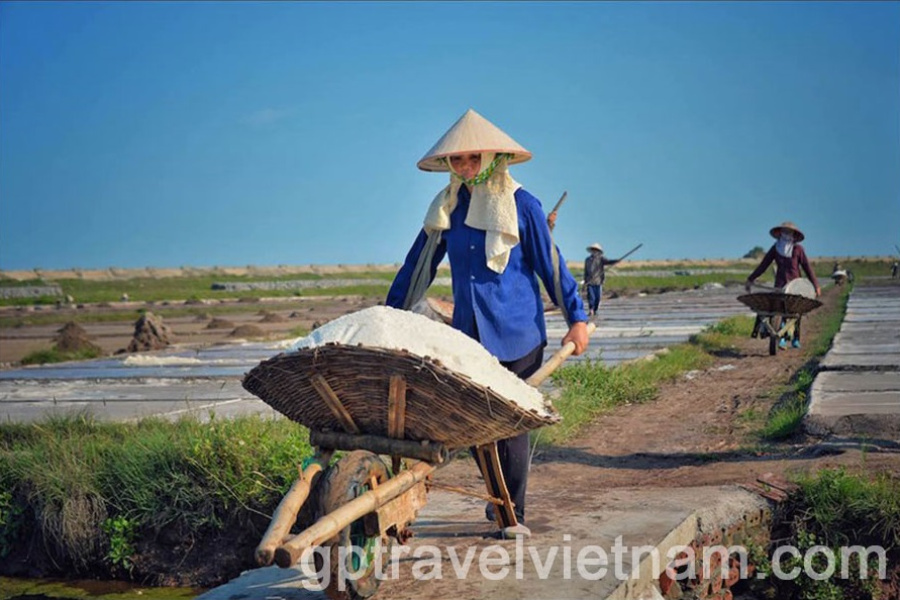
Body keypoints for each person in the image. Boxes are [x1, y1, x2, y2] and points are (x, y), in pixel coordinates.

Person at [386, 109, 589, 538]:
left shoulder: (523, 205)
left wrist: (577, 318)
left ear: (493, 157)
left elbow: (551, 265)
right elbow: (418, 265)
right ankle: (500, 497)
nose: (464, 167)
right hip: (470, 336)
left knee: (509, 423)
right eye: (457, 160)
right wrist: (391, 314)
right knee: (475, 423)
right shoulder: (448, 208)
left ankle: (513, 512)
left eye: (472, 158)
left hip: (518, 333)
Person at [745, 221, 821, 350]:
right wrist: (750, 279)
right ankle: (782, 338)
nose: (786, 234)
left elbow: (807, 268)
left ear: (794, 235)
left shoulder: (798, 249)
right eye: (784, 232)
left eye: (789, 232)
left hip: (795, 285)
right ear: (780, 233)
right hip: (780, 285)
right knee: (781, 310)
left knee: (796, 312)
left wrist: (816, 285)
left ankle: (796, 338)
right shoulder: (775, 248)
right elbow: (763, 265)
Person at [583, 243, 620, 316]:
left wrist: (616, 261)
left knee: (598, 297)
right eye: (593, 250)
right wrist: (585, 281)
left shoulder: (601, 259)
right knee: (591, 297)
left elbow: (608, 262)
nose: (594, 251)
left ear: (598, 251)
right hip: (590, 281)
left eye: (595, 250)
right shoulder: (587, 260)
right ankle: (591, 310)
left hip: (598, 281)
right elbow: (586, 271)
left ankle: (595, 310)